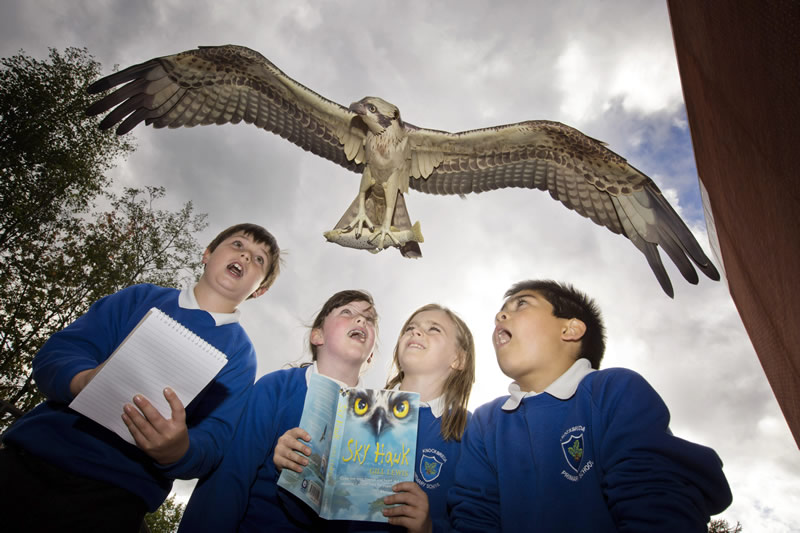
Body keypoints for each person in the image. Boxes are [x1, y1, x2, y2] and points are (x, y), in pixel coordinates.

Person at [0, 223, 281, 533]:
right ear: (207, 253)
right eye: (238, 244)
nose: (245, 254)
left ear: (260, 289)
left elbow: (215, 438)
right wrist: (81, 380)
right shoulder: (140, 297)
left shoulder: (240, 356)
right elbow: (59, 353)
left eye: (259, 260)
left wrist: (178, 449)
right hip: (31, 459)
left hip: (117, 496)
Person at [448, 280, 733, 532]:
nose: (500, 315)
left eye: (522, 303)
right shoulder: (485, 422)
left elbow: (656, 500)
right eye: (501, 310)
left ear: (570, 329)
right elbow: (474, 515)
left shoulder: (613, 390)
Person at [178, 289, 379, 532]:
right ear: (318, 335)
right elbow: (231, 475)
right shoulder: (277, 387)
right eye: (347, 312)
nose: (361, 320)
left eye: (369, 319)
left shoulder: (377, 423)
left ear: (370, 357)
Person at [275, 303, 476, 533]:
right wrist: (293, 470)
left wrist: (429, 528)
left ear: (459, 359)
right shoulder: (355, 414)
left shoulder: (470, 431)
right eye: (410, 327)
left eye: (434, 329)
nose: (416, 331)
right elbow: (314, 516)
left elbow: (479, 519)